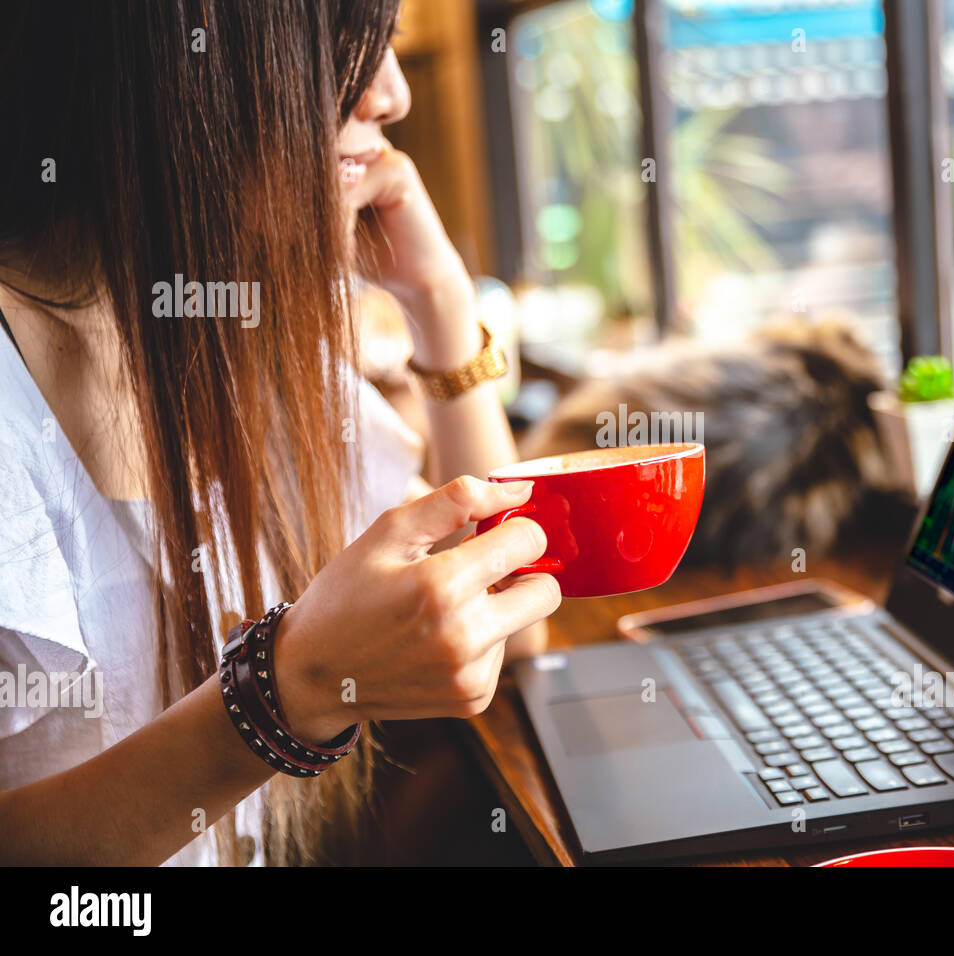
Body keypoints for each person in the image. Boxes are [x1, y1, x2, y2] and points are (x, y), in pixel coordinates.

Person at [0, 1, 560, 865]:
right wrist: (281, 693)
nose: (395, 94)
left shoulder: (236, 343)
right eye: (353, 49)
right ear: (188, 66)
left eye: (393, 48)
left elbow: (513, 626)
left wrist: (442, 304)